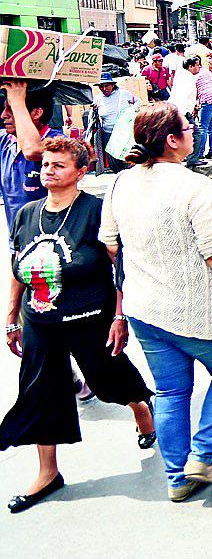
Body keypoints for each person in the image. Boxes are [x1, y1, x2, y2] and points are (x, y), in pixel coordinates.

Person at [99, 103, 212, 502]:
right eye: (188, 128)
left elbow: (110, 244)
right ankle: (203, 456)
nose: (193, 132)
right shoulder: (192, 186)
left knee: (171, 392)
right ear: (172, 141)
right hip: (194, 310)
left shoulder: (120, 183)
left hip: (145, 309)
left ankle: (176, 476)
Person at [1, 137, 156, 513]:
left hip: (90, 317)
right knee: (41, 391)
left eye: (58, 165)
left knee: (107, 379)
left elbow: (120, 266)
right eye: (46, 164)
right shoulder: (27, 213)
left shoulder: (97, 211)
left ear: (81, 172)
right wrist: (10, 316)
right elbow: (19, 265)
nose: (48, 171)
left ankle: (140, 408)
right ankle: (48, 472)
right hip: (39, 319)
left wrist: (120, 316)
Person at [0, 82, 52, 231]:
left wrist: (17, 101)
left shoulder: (58, 143)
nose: (3, 115)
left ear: (36, 113)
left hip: (48, 242)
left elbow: (32, 151)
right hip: (18, 240)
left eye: (11, 109)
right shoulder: (5, 141)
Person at [93, 74, 137, 169]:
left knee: (126, 159)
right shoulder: (98, 98)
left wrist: (130, 112)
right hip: (108, 133)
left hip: (123, 133)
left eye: (106, 85)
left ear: (112, 85)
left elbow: (138, 102)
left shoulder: (124, 94)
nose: (104, 88)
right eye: (101, 86)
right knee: (113, 161)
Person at [191, 55, 212, 167]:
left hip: (208, 99)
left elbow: (195, 92)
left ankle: (200, 153)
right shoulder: (207, 72)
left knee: (203, 126)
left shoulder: (195, 75)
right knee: (211, 126)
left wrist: (194, 105)